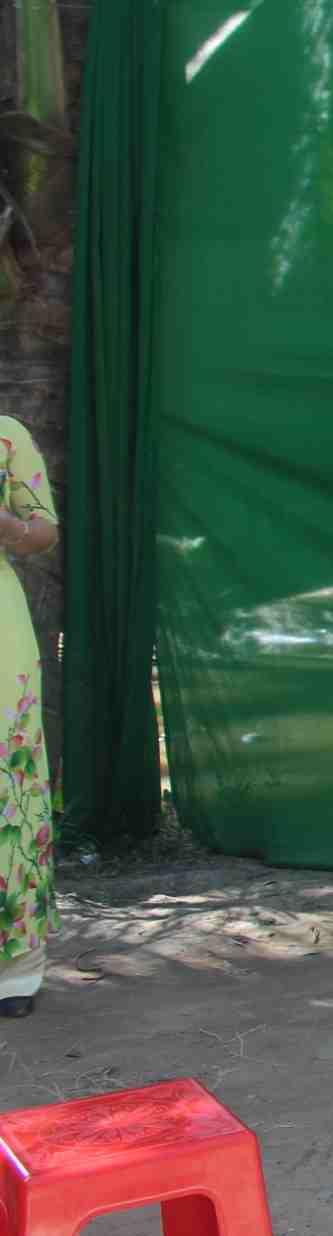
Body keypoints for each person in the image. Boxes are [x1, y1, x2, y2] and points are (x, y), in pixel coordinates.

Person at [0, 416, 59, 1019]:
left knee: (7, 784)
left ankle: (14, 970)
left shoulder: (6, 436)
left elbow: (43, 531)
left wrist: (7, 526)